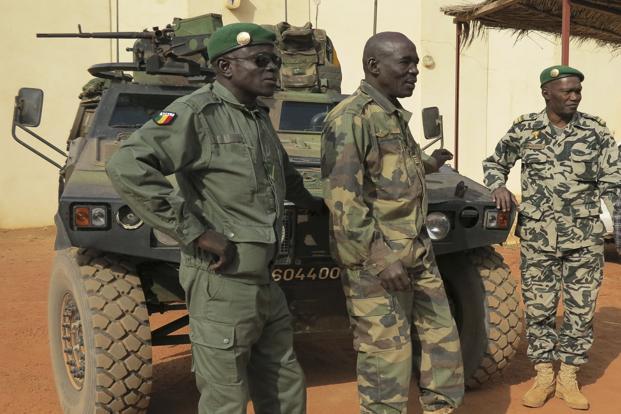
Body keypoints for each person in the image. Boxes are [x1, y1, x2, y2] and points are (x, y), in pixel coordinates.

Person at [106, 23, 322, 414]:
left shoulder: (256, 117)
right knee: (226, 399)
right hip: (221, 284)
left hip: (263, 282)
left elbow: (286, 178)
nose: (273, 69)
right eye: (260, 60)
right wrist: (195, 231)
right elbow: (126, 164)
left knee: (285, 387)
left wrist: (320, 204)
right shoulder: (197, 112)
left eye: (274, 60)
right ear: (225, 66)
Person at [320, 31, 464, 414]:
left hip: (416, 251)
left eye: (415, 62)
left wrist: (432, 164)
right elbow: (343, 200)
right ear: (373, 66)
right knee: (387, 355)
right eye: (406, 62)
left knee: (442, 342)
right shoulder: (351, 118)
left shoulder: (394, 115)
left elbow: (394, 174)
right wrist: (382, 258)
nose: (415, 70)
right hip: (378, 262)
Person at [483, 65, 620, 410]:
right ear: (546, 92)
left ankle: (569, 377)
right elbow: (495, 162)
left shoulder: (596, 132)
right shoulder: (525, 129)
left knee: (580, 310)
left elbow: (614, 184)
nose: (574, 96)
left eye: (578, 91)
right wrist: (497, 185)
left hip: (584, 239)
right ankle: (544, 375)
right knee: (540, 309)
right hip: (538, 237)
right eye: (567, 91)